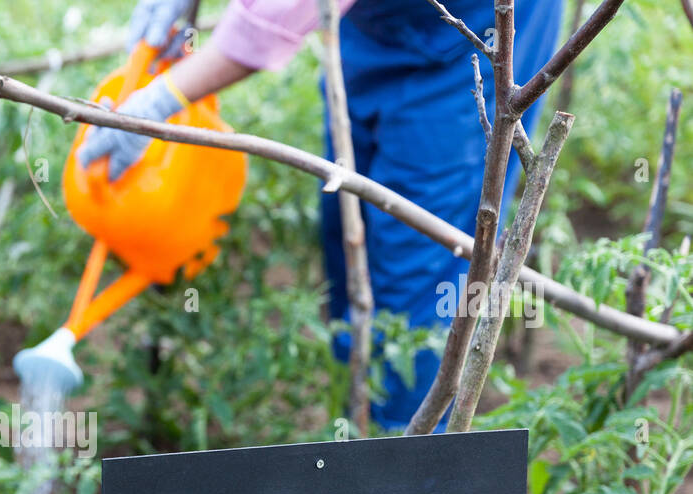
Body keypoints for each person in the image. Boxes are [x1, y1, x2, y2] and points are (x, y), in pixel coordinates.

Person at [78, 0, 564, 430]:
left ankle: (411, 477)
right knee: (345, 224)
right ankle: (353, 422)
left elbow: (279, 12)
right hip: (378, 22)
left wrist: (165, 97)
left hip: (476, 31)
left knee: (418, 260)